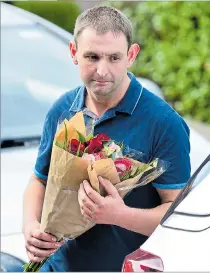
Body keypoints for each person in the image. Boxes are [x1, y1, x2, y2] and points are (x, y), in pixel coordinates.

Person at [22, 5, 191, 271]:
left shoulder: (164, 123)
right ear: (73, 53)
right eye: (92, 57)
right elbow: (39, 179)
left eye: (114, 58)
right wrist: (30, 226)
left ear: (131, 55)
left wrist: (119, 216)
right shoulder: (62, 109)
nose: (102, 71)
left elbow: (178, 213)